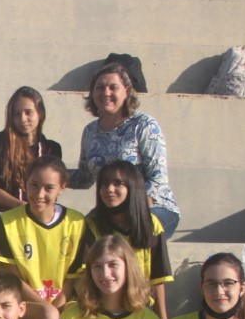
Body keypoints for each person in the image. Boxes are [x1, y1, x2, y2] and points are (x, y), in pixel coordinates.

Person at [69, 63, 181, 237]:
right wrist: (49, 173)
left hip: (153, 208)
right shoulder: (90, 131)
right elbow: (84, 178)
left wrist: (133, 210)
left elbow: (158, 178)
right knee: (82, 233)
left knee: (132, 232)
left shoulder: (144, 125)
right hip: (111, 208)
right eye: (99, 87)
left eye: (113, 87)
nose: (106, 93)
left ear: (127, 91)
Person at [0, 155, 86, 319]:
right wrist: (47, 308)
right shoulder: (6, 222)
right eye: (34, 185)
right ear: (25, 183)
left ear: (62, 188)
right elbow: (13, 279)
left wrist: (57, 306)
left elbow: (73, 278)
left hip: (65, 303)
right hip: (23, 303)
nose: (39, 194)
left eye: (48, 188)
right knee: (48, 316)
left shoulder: (76, 222)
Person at [75, 160, 172, 319]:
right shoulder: (92, 224)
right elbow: (84, 276)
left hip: (139, 308)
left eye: (118, 183)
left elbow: (158, 278)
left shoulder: (151, 225)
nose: (109, 189)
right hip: (101, 308)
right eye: (104, 184)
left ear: (132, 187)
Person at [0, 87, 62, 213]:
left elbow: (51, 191)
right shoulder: (0, 141)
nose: (22, 119)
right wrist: (23, 207)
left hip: (37, 215)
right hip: (2, 214)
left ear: (40, 113)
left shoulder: (52, 149)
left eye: (28, 112)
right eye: (17, 114)